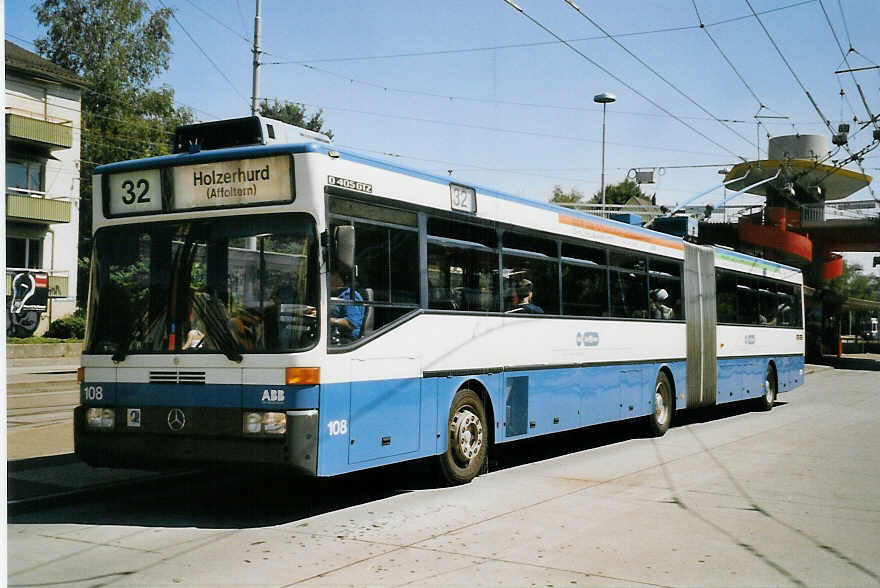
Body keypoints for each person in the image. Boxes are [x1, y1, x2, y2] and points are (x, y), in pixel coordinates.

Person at [329, 269, 365, 343]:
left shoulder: (350, 295)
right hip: (332, 333)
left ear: (337, 277)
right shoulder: (335, 294)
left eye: (330, 275)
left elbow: (351, 324)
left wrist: (327, 320)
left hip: (347, 339)